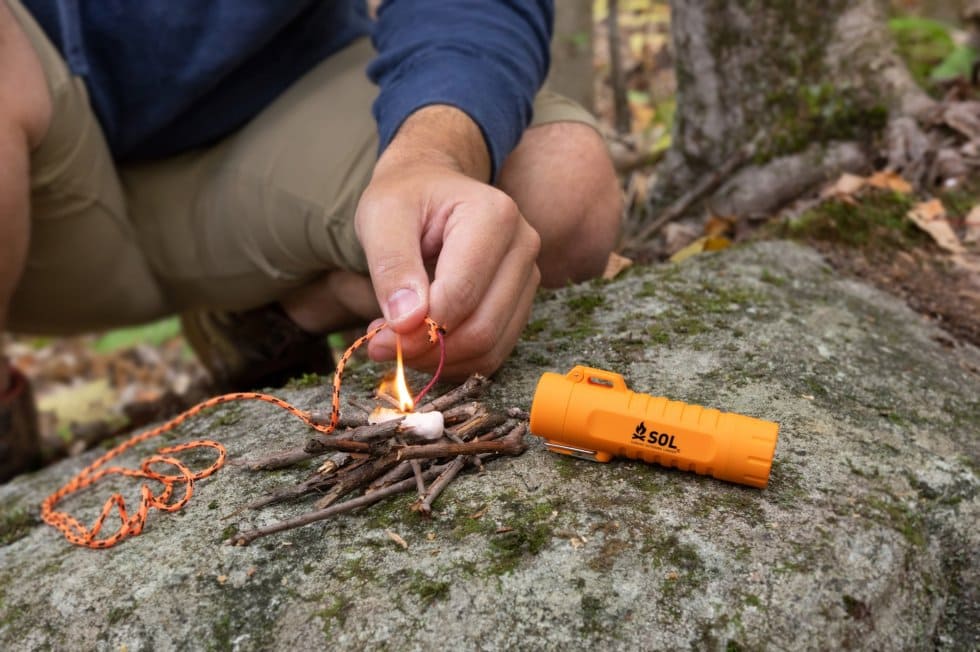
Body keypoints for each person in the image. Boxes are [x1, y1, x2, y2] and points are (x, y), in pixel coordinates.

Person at [0, 1, 622, 480]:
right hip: (34, 167)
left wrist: (432, 153)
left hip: (272, 110)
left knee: (552, 189)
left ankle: (274, 312)